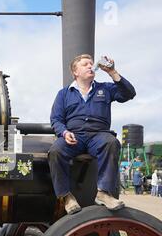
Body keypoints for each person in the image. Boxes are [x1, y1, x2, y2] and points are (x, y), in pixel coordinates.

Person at [48, 54, 136, 214]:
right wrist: (64, 132)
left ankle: (103, 193)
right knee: (55, 151)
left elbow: (129, 93)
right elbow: (56, 119)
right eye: (85, 64)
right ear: (75, 72)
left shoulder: (105, 88)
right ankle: (66, 197)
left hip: (98, 135)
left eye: (91, 63)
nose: (90, 66)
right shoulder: (64, 94)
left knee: (111, 142)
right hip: (74, 137)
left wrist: (112, 71)